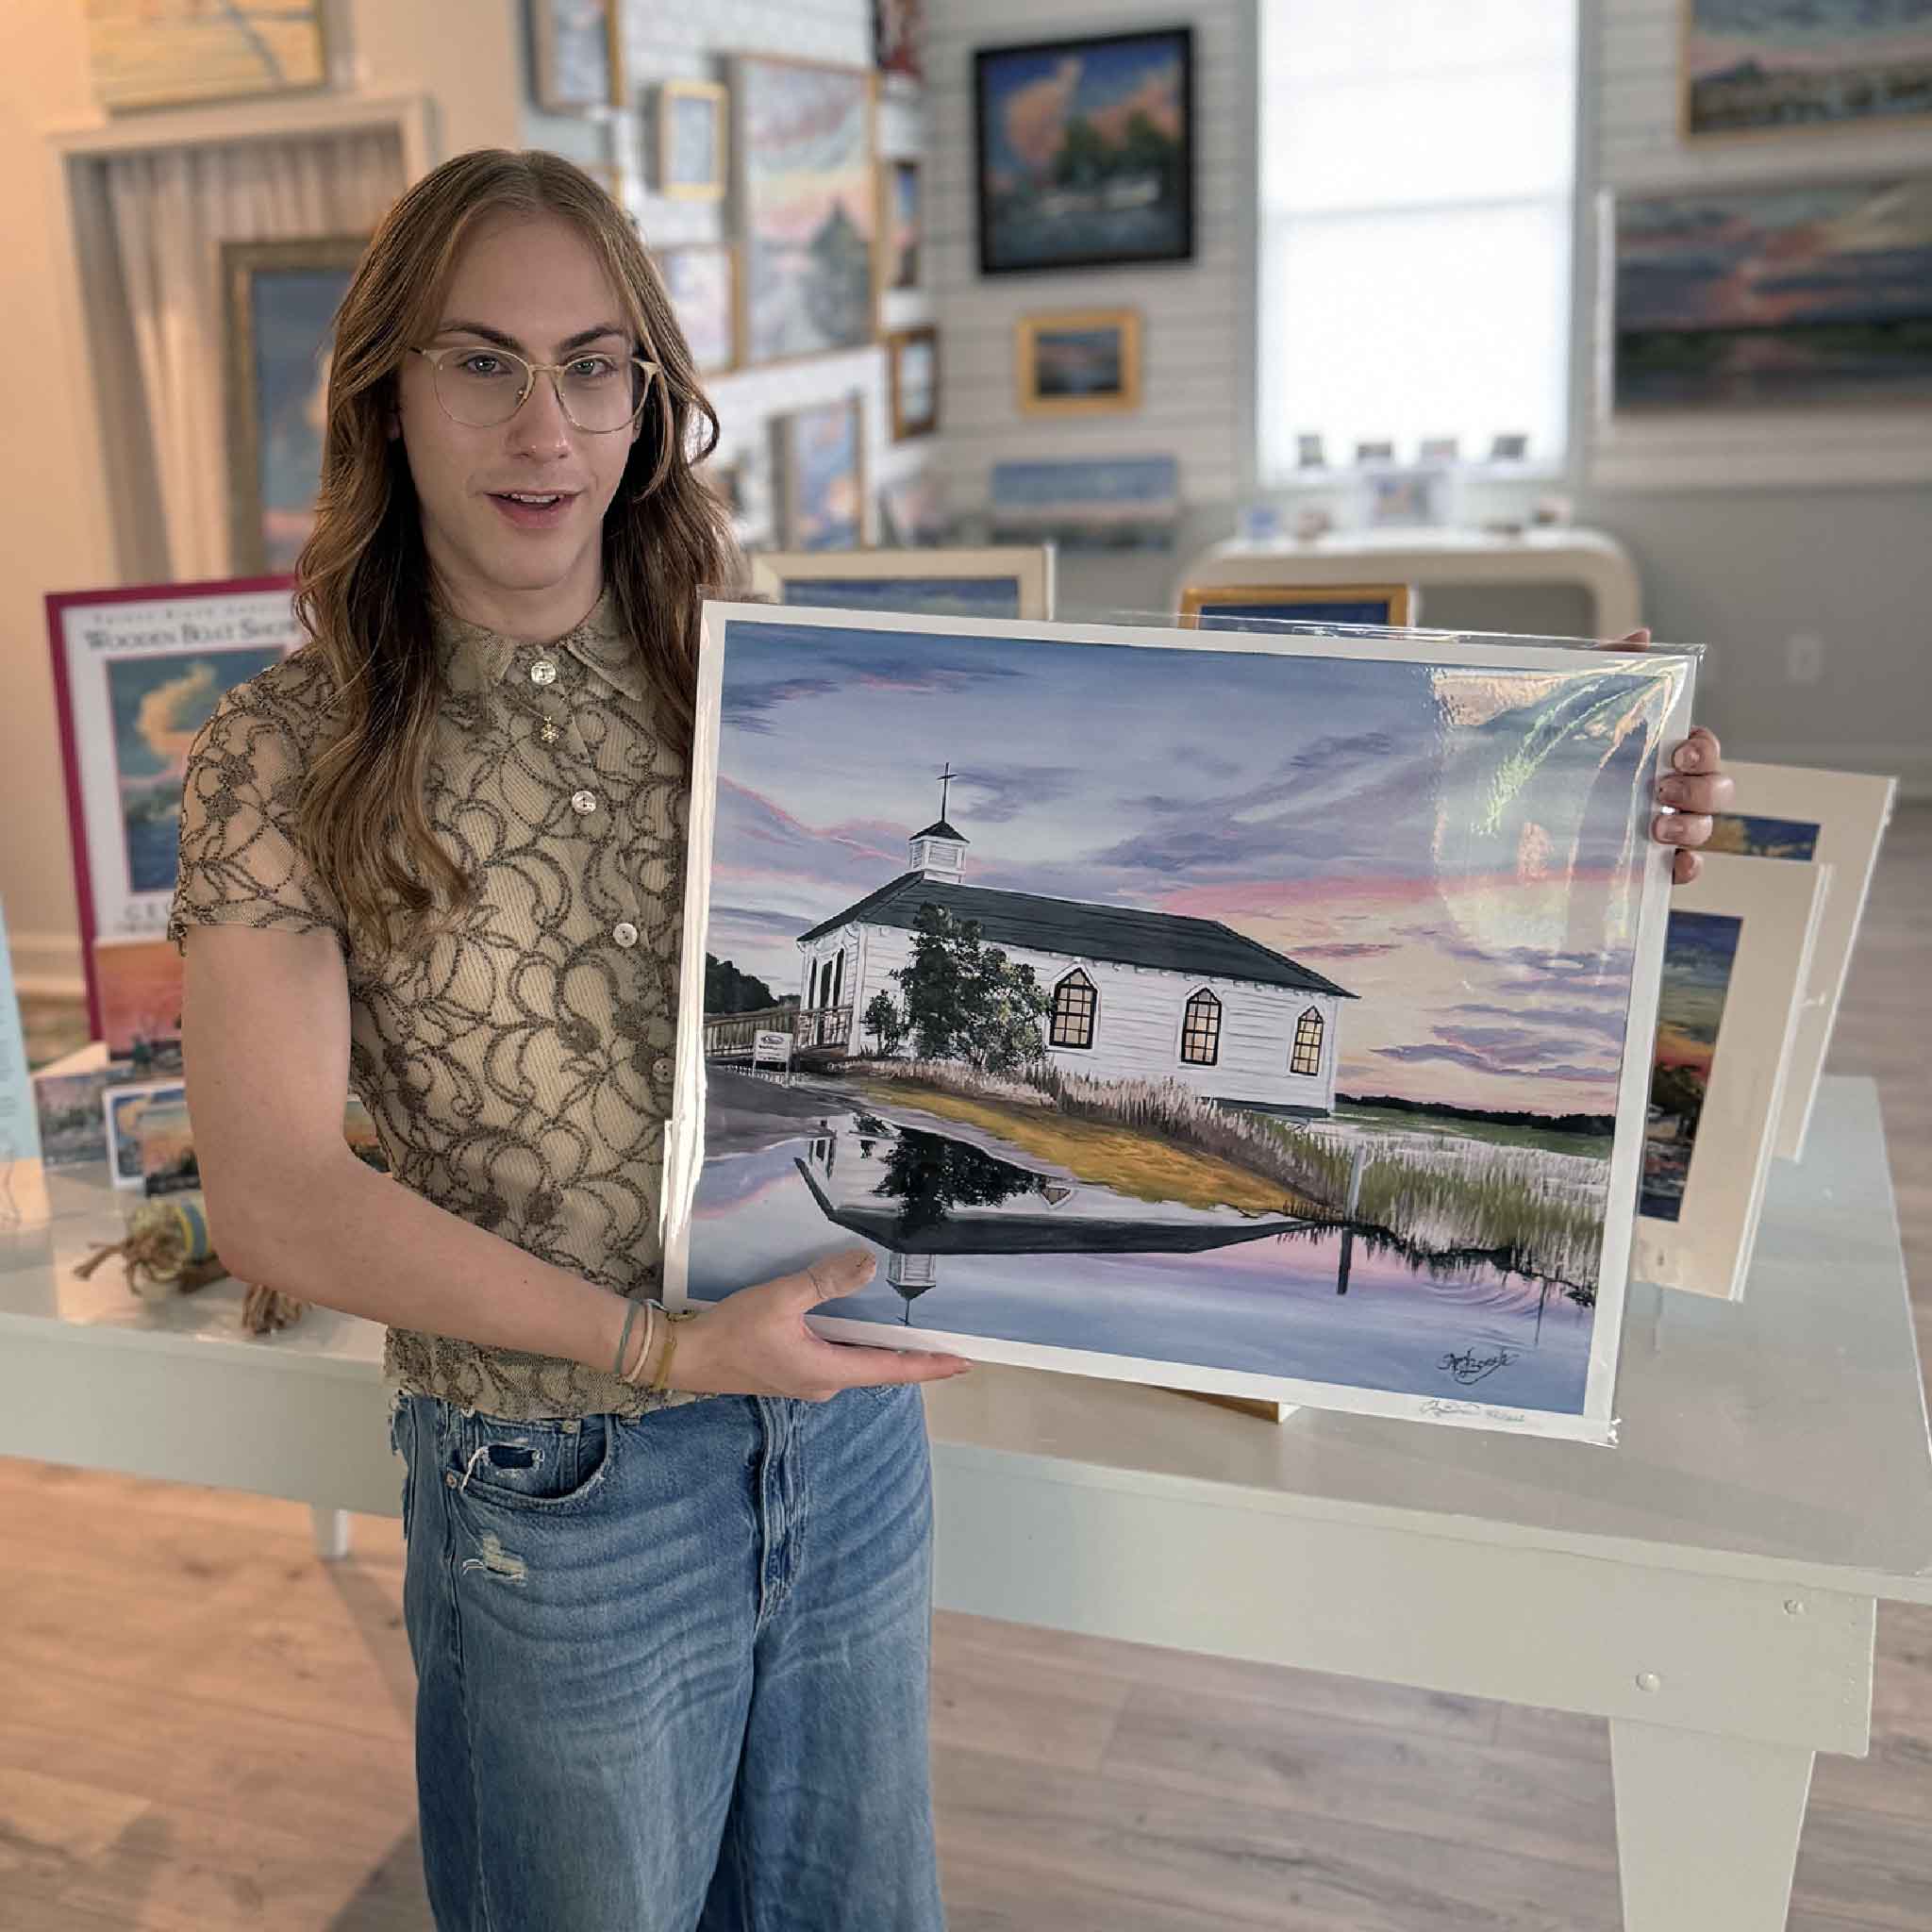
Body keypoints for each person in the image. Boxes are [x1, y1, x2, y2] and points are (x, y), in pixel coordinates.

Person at [169, 150, 1731, 1932]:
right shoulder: (289, 750)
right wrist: (658, 1350)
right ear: (384, 390)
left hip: (841, 1437)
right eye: (482, 362)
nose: (548, 426)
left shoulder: (743, 678)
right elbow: (278, 1199)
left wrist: (1576, 783)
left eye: (595, 365)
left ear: (648, 396)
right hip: (567, 1476)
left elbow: (1203, 797)